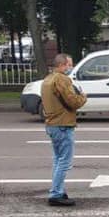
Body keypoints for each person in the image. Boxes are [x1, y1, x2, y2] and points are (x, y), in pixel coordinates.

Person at [41, 54, 88, 207]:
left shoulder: (47, 79)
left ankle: (58, 190)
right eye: (70, 64)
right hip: (62, 124)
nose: (71, 68)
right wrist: (83, 97)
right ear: (63, 65)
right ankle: (55, 193)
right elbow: (72, 101)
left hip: (52, 124)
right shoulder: (62, 79)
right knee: (64, 161)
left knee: (58, 159)